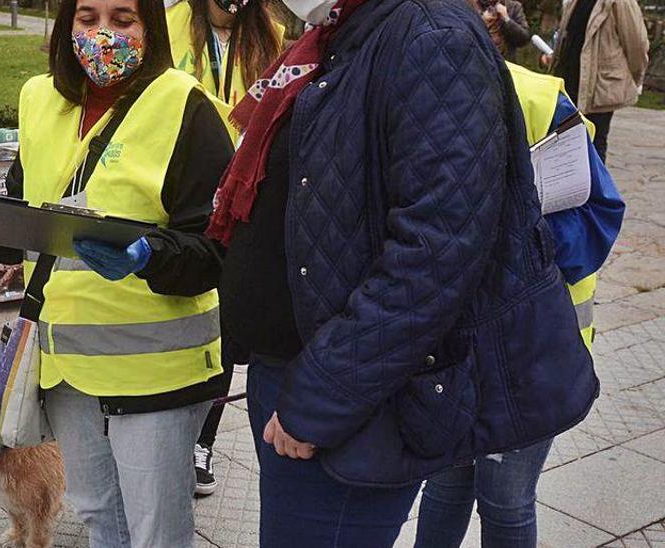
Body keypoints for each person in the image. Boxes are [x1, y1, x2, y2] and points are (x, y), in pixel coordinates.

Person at [196, 0, 600, 542]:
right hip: (308, 376)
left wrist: (321, 397)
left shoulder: (430, 36)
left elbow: (437, 251)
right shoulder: (350, 31)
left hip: (351, 398)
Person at [0, 0, 234, 545]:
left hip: (158, 371)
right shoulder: (38, 98)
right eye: (87, 18)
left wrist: (149, 256)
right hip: (66, 365)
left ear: (152, 28)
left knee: (155, 528)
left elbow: (218, 249)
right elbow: (29, 199)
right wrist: (2, 235)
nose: (102, 34)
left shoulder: (187, 108)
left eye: (123, 20)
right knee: (97, 513)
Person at [414, 61, 624, 548]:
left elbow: (599, 217)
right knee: (444, 484)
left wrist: (509, 248)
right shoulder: (412, 88)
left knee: (505, 498)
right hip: (451, 349)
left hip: (535, 347)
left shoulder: (538, 99)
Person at [161, 0, 285, 497]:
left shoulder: (272, 33)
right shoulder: (165, 25)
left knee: (227, 324)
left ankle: (201, 443)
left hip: (245, 197)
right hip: (184, 185)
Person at [543, 0, 650, 161]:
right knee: (566, 145)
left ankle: (597, 186)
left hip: (600, 86)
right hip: (569, 83)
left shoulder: (621, 3)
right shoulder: (573, 2)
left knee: (594, 144)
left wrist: (634, 77)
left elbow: (637, 45)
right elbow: (568, 38)